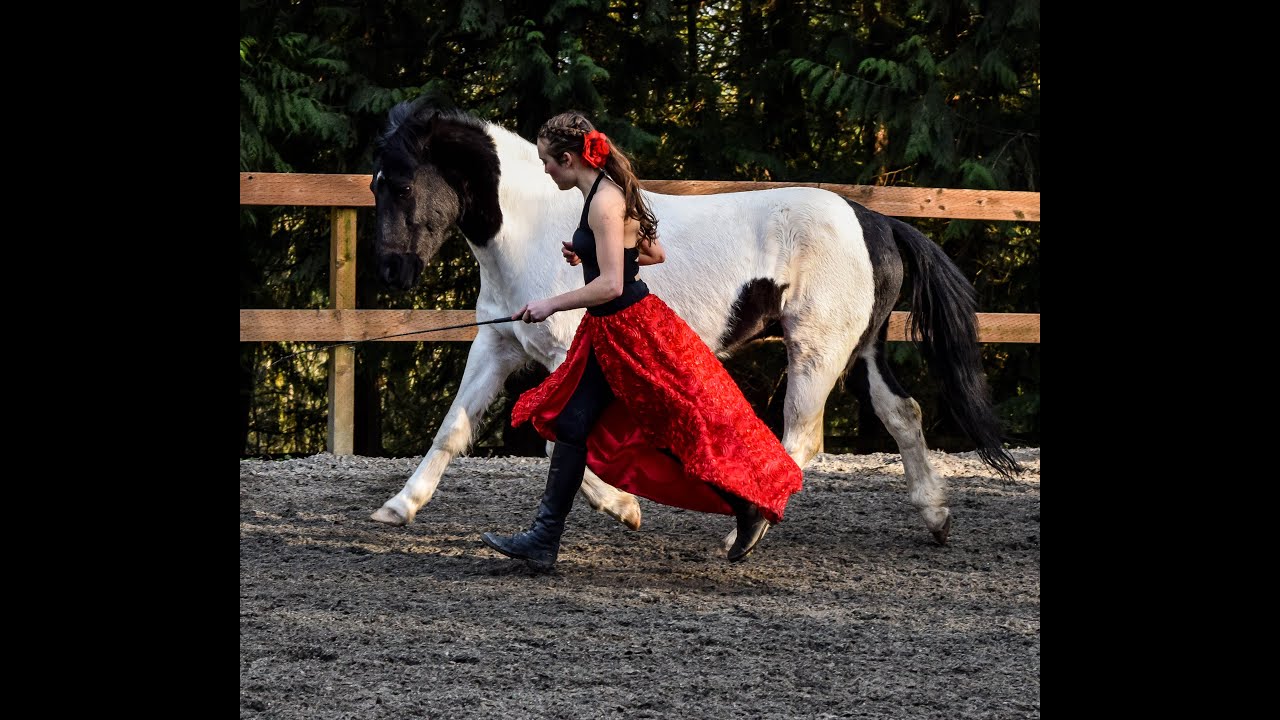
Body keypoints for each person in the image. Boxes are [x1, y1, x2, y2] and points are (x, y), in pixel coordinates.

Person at [481, 111, 804, 571]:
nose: (546, 170)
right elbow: (653, 253)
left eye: (547, 161)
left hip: (630, 327)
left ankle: (746, 504)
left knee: (675, 425)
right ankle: (544, 538)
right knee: (573, 423)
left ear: (569, 158)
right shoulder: (604, 193)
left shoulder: (603, 201)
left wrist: (550, 303)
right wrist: (588, 251)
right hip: (611, 329)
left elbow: (612, 285)